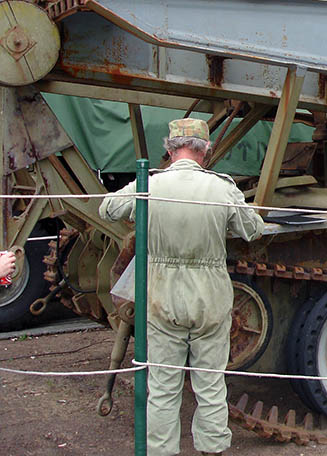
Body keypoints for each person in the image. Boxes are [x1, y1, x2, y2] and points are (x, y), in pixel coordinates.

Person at [100, 118, 265, 456]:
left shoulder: (151, 184)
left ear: (169, 148)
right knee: (210, 385)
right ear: (206, 149)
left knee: (163, 387)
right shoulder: (221, 187)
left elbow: (108, 209)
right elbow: (253, 230)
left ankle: (162, 451)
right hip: (210, 294)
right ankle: (211, 448)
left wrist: (141, 202)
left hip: (162, 294)